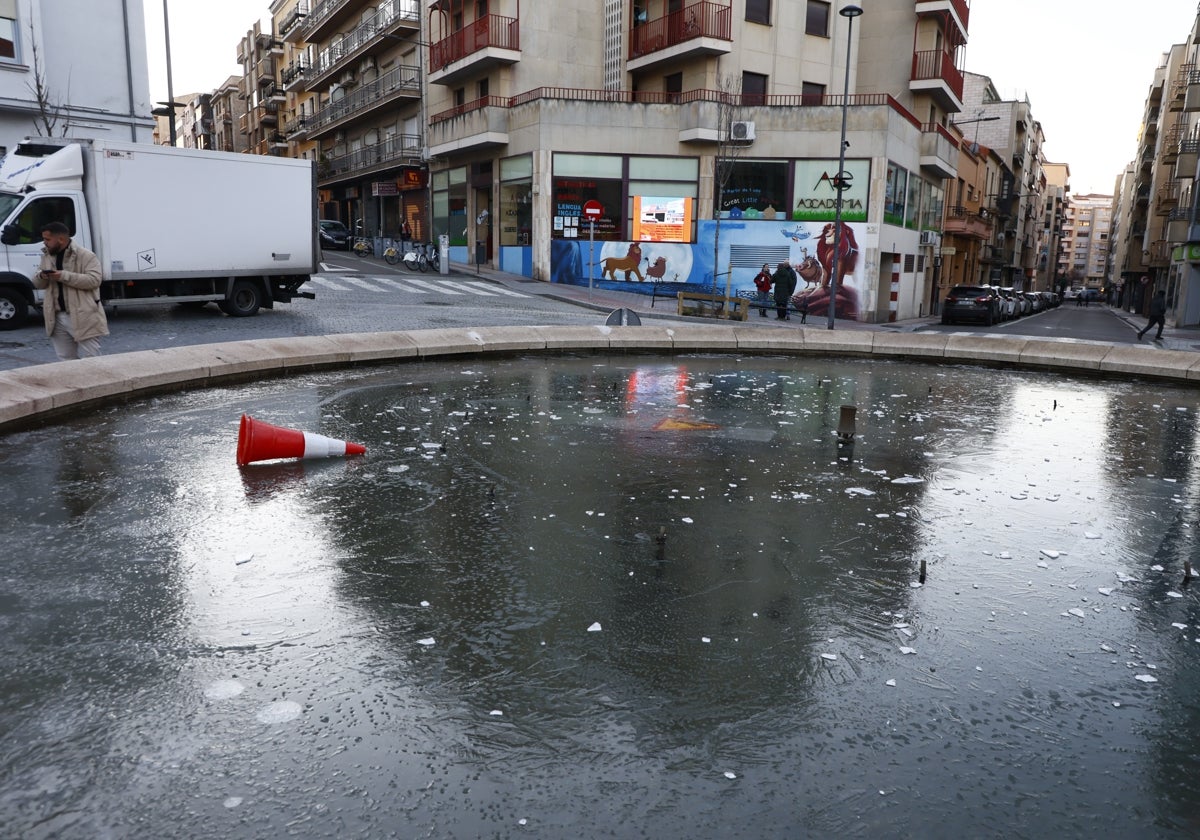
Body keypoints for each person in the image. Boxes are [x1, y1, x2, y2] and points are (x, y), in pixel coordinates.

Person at [33, 221, 107, 360]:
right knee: (65, 360)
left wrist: (62, 276)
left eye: (47, 239)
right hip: (56, 316)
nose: (44, 243)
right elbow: (38, 283)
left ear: (60, 239)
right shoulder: (47, 255)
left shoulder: (86, 255)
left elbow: (94, 280)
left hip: (83, 314)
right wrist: (42, 276)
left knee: (92, 359)